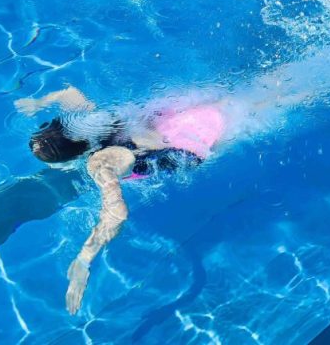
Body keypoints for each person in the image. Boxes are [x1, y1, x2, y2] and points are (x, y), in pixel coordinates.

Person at [14, 84, 265, 315]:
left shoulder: (99, 162)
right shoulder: (93, 122)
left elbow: (117, 213)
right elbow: (68, 93)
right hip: (177, 116)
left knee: (261, 109)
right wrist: (39, 102)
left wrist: (84, 258)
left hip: (192, 143)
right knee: (255, 97)